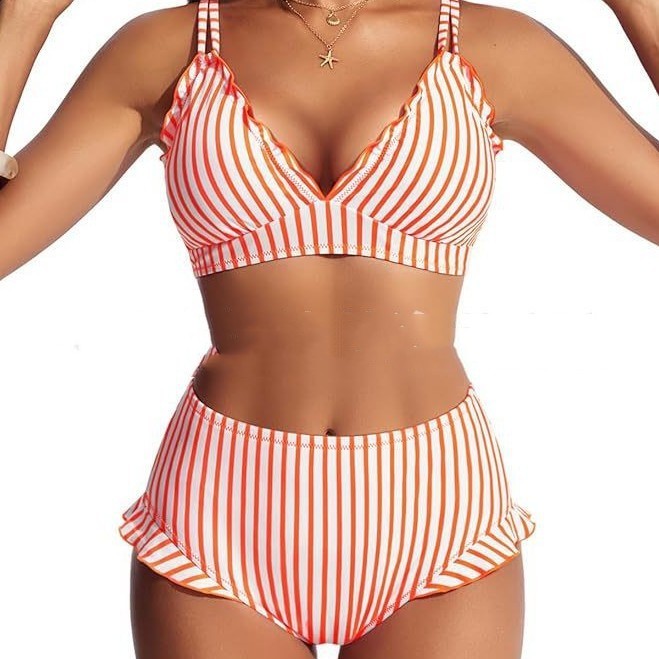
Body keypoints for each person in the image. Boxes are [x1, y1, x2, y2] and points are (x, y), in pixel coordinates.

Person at [1, 1, 657, 658]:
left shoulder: (492, 45)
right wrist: (23, 19)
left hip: (437, 512)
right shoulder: (168, 48)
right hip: (220, 515)